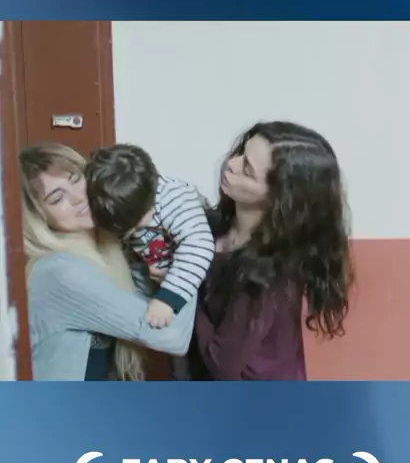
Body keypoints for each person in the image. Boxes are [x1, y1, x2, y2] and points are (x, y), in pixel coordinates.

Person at [19, 143, 196, 381]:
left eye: (76, 180)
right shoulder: (59, 272)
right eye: (57, 198)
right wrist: (190, 256)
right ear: (38, 216)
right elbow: (172, 337)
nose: (78, 198)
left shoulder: (107, 247)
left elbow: (146, 306)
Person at [191, 121, 353, 381]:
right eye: (241, 152)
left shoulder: (268, 275)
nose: (231, 164)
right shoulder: (212, 227)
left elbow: (221, 365)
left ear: (279, 197)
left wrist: (184, 285)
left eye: (247, 170)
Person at [86, 144, 215, 329]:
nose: (133, 231)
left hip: (193, 279)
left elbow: (199, 246)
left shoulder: (175, 198)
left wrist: (168, 298)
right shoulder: (117, 209)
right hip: (152, 276)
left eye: (137, 223)